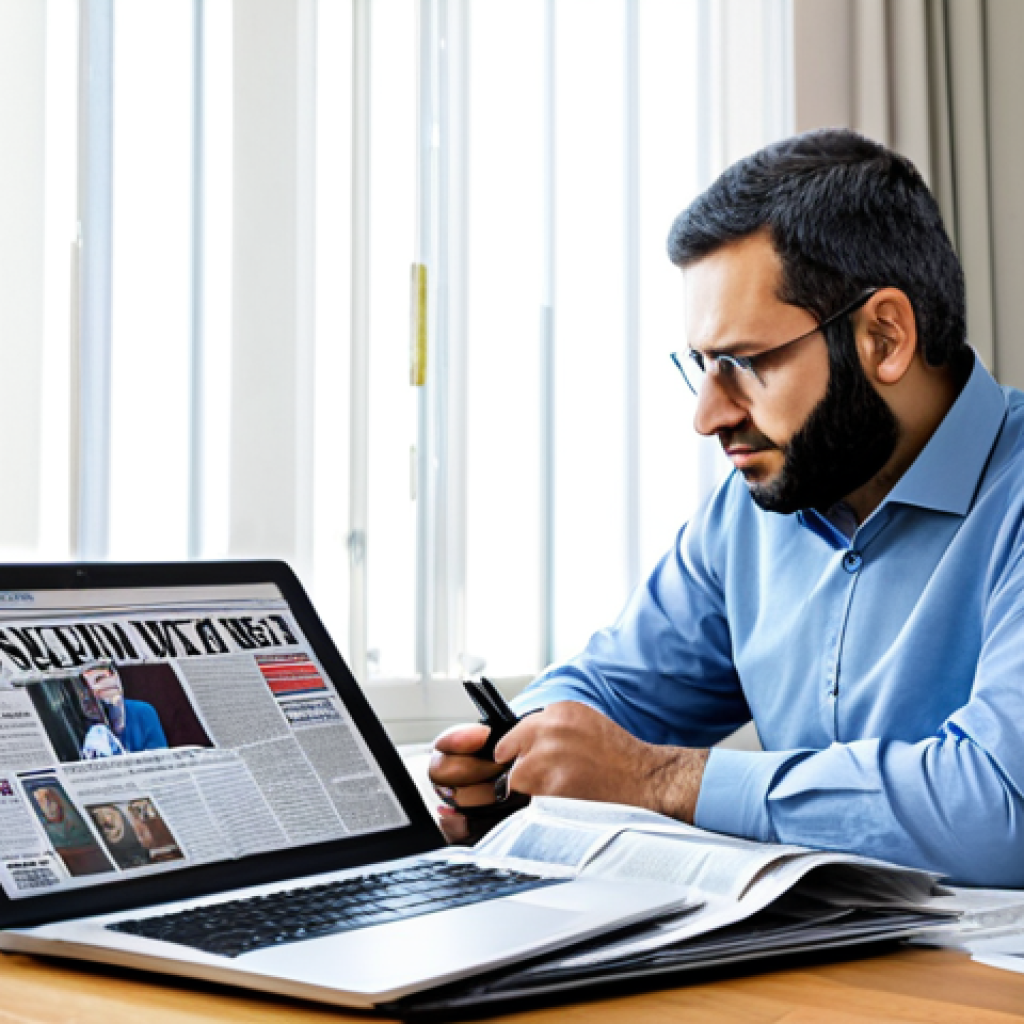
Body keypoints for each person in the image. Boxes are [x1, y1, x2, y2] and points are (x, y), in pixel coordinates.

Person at [429, 129, 1024, 887]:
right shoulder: (753, 514)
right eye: (703, 366)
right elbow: (612, 691)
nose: (708, 415)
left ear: (884, 336)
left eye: (743, 363)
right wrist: (516, 751)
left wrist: (661, 781)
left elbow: (1001, 811)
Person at [80, 662, 168, 756]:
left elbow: (161, 759)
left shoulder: (143, 711)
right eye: (99, 679)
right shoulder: (77, 720)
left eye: (111, 673)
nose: (108, 680)